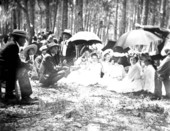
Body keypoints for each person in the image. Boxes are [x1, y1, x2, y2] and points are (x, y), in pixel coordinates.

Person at [0, 30, 37, 104]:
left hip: (5, 69)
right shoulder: (13, 46)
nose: (25, 41)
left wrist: (25, 64)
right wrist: (27, 65)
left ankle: (10, 94)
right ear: (19, 38)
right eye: (24, 39)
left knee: (18, 69)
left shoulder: (12, 44)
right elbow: (16, 63)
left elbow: (15, 61)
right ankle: (25, 96)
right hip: (3, 71)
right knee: (22, 71)